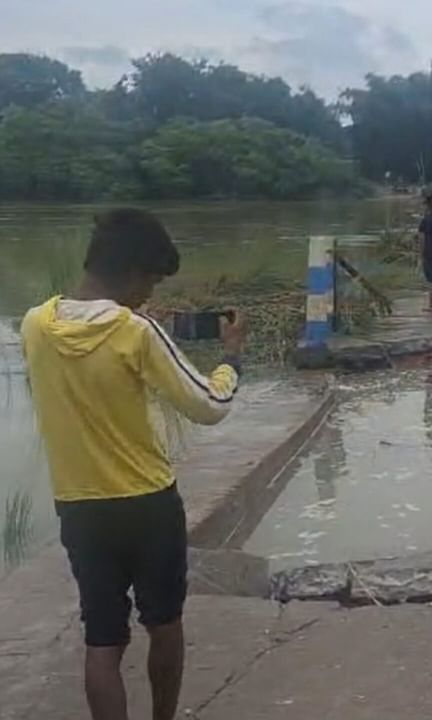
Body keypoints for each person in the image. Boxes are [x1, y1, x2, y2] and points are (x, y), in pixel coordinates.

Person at [20, 208, 246, 720]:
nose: (150, 294)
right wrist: (231, 359)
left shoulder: (34, 325)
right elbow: (209, 405)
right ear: (132, 271)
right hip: (147, 504)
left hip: (79, 507)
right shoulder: (136, 331)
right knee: (164, 623)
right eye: (150, 281)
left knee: (102, 640)